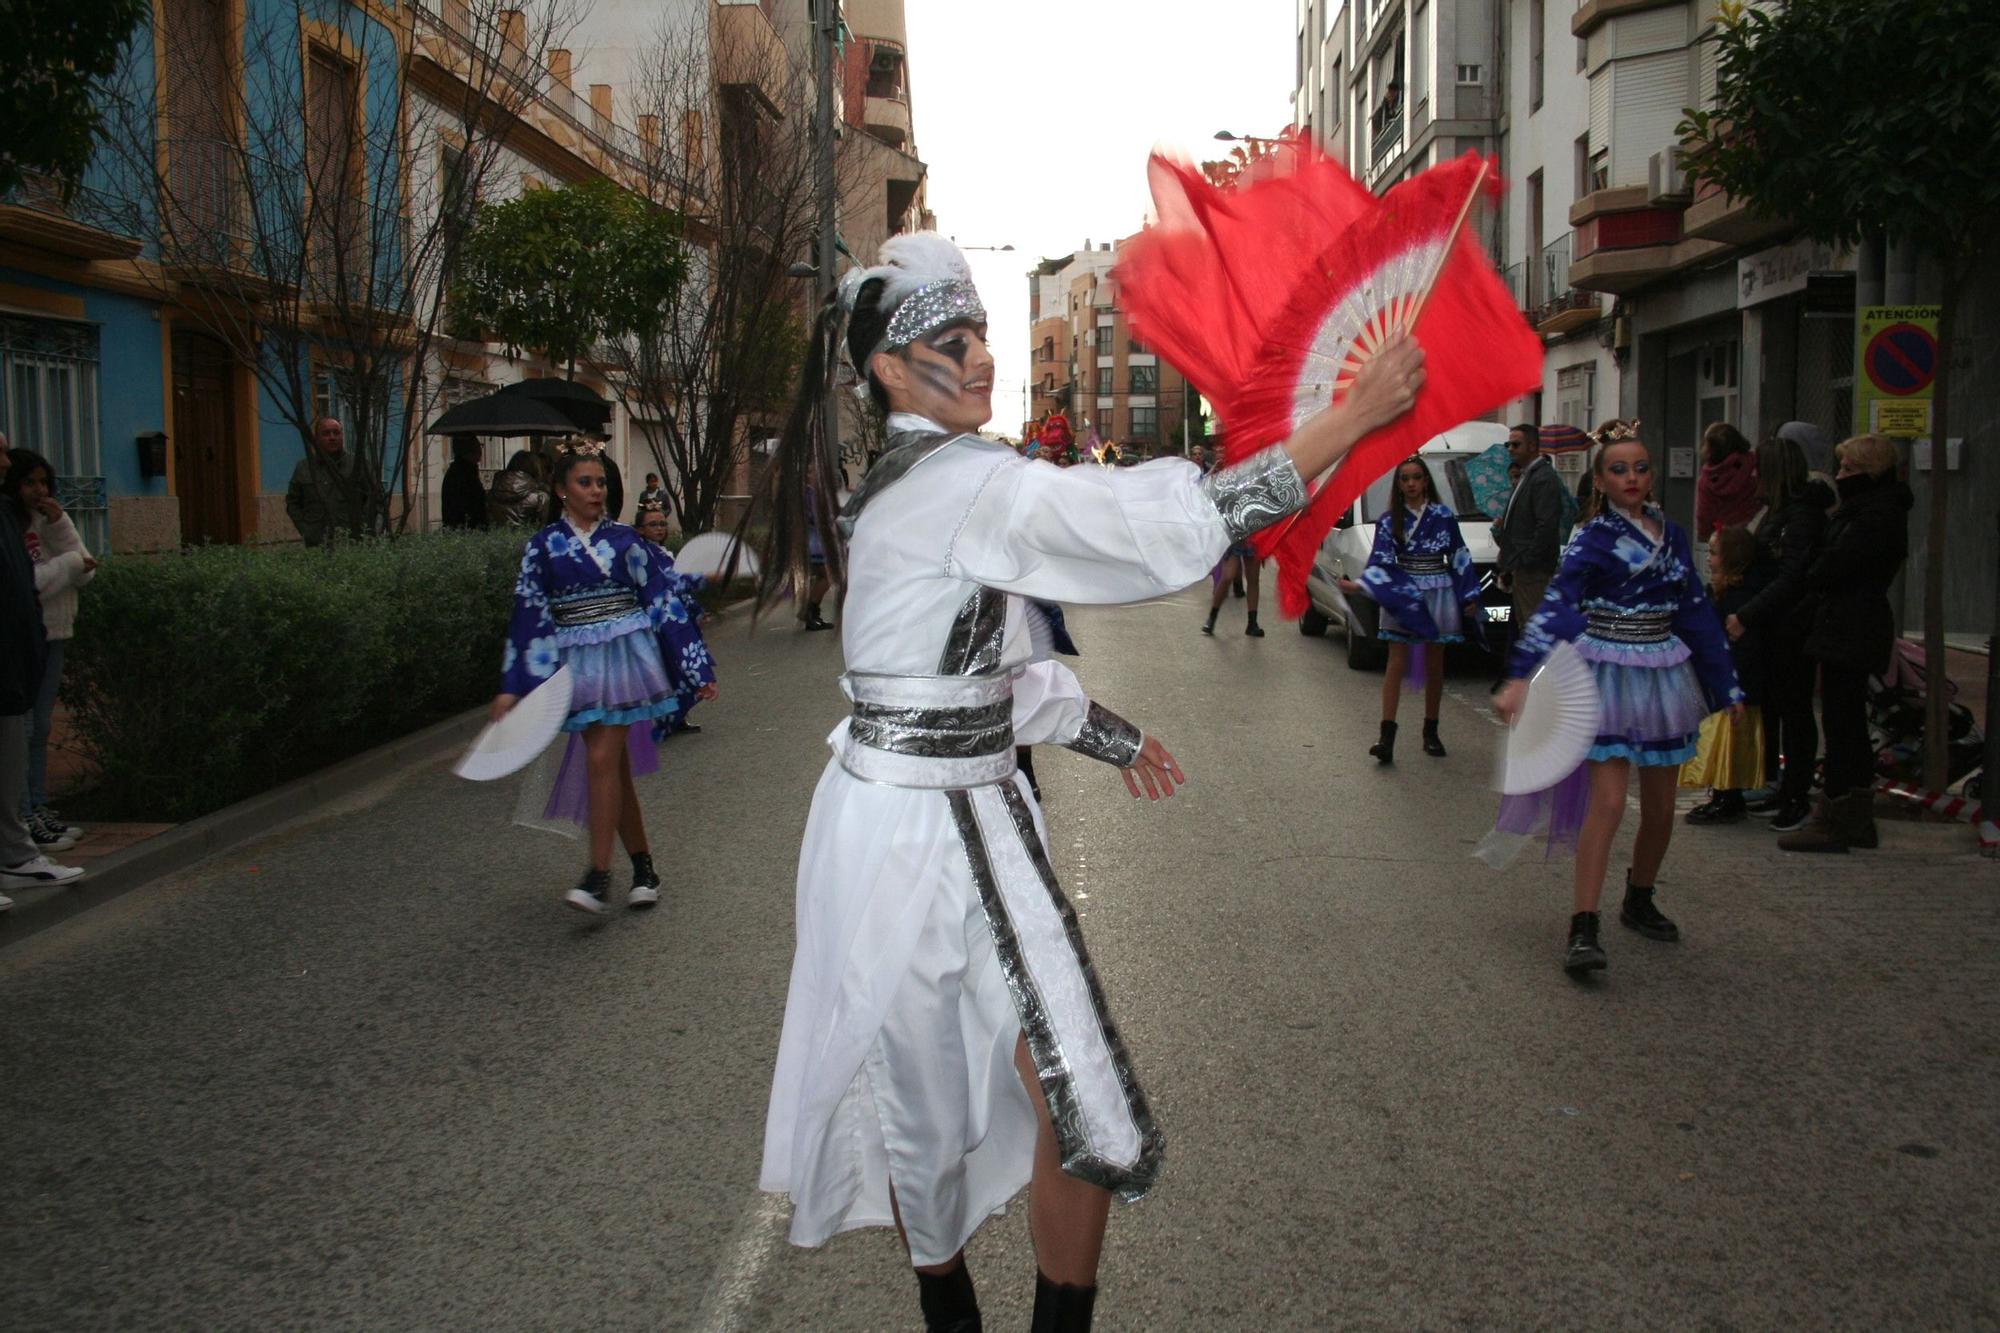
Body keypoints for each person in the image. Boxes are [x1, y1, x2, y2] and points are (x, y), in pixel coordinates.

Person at [756, 234, 1423, 1332]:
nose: (979, 359)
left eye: (979, 337)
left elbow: (976, 666)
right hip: (905, 844)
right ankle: (952, 1314)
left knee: (1077, 1093)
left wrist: (1104, 733)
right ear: (886, 370)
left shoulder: (925, 483)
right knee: (923, 1110)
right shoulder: (953, 487)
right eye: (949, 343)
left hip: (961, 820)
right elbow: (1149, 526)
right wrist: (1347, 418)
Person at [1492, 422, 1742, 978]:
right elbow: (1557, 603)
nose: (1633, 477)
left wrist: (1726, 682)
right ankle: (1583, 924)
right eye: (1619, 469)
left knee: (1658, 807)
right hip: (1606, 671)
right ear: (1601, 481)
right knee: (1606, 803)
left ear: (1652, 475)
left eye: (1641, 467)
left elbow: (1696, 609)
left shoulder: (1673, 536)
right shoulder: (1592, 538)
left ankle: (1639, 896)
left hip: (1661, 675)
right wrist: (1520, 676)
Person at [491, 443, 719, 913]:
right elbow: (528, 616)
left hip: (624, 662)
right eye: (584, 483)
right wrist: (513, 686)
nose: (596, 492)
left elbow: (665, 602)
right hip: (578, 664)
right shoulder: (541, 547)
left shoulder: (626, 543)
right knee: (611, 768)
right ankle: (643, 866)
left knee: (600, 758)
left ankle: (597, 874)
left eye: (601, 483)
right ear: (560, 490)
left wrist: (695, 667)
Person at [1779, 434, 1912, 854]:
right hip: (1844, 621)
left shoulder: (1875, 515)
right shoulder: (1864, 510)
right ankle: (1849, 815)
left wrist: (1820, 562)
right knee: (1843, 718)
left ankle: (1837, 816)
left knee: (1843, 722)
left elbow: (1830, 566)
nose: (1840, 476)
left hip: (1852, 624)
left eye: (1848, 469)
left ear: (1868, 472)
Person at [1340, 455, 1483, 763]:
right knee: (1395, 662)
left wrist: (1469, 593)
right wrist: (1361, 585)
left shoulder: (1443, 516)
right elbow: (1380, 561)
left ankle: (1431, 731)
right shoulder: (1390, 520)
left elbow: (1458, 554)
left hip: (1438, 591)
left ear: (1425, 480)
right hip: (1403, 591)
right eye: (1404, 479)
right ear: (1398, 484)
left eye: (1416, 477)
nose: (1411, 484)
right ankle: (1386, 736)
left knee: (1434, 663)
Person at [1726, 434, 1831, 831]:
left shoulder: (1801, 515)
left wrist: (1747, 614)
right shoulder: (1776, 511)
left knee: (1795, 711)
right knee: (1774, 707)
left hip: (1792, 628)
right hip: (1772, 627)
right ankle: (1776, 784)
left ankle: (1796, 793)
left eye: (1757, 470)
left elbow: (1791, 577)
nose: (1752, 477)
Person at [0, 441, 82, 903]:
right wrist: (69, 564)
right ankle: (23, 828)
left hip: (31, 643)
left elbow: (85, 566)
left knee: (29, 733)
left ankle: (20, 842)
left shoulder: (24, 521)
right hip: (18, 643)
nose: (6, 462)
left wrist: (63, 531)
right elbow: (33, 581)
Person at [1680, 526, 1765, 824]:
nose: (1710, 560)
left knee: (1726, 742)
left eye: (1714, 554)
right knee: (1718, 740)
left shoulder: (1737, 598)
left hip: (1734, 683)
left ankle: (1728, 797)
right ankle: (1721, 795)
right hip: (1722, 680)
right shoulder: (1721, 592)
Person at [1494, 422, 1566, 629]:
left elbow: (1546, 525)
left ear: (1533, 446)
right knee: (1525, 625)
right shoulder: (1528, 475)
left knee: (1533, 627)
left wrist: (1527, 559)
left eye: (1516, 445)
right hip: (1521, 567)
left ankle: (1541, 663)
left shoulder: (1542, 478)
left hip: (1533, 570)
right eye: (1508, 444)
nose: (1510, 450)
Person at [284, 416, 382, 546]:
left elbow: (375, 500)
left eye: (336, 433)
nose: (332, 437)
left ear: (342, 436)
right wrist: (306, 530)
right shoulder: (304, 468)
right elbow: (293, 502)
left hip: (353, 543)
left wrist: (364, 528)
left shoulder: (359, 466)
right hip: (317, 543)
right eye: (326, 433)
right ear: (316, 438)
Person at [1694, 422, 1759, 541]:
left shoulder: (1706, 482)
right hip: (1756, 534)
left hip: (1725, 541)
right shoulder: (1754, 466)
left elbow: (1704, 519)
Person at [1201, 537, 1265, 636]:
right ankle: (1212, 617)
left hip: (1255, 535)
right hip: (1234, 534)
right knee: (1228, 576)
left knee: (1253, 579)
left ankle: (1252, 624)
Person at [487, 449, 552, 528]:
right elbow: (544, 529)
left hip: (494, 538)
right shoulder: (540, 497)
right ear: (536, 469)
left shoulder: (492, 494)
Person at [440, 438, 489, 530]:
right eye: (479, 446)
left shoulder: (462, 472)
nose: (481, 450)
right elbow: (472, 506)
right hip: (466, 532)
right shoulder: (464, 474)